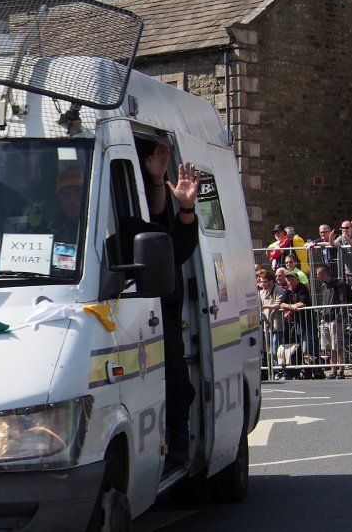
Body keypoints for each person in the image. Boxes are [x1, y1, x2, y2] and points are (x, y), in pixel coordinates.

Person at [123, 140, 199, 467]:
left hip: (159, 309)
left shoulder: (139, 221)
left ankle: (177, 439)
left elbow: (166, 232)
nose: (72, 195)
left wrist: (184, 207)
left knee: (173, 371)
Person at [315, 266, 352, 379]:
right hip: (326, 318)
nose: (318, 277)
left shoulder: (338, 284)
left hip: (337, 318)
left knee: (338, 345)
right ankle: (333, 370)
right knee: (330, 347)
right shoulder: (324, 286)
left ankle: (341, 371)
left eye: (319, 275)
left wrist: (342, 315)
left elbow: (342, 299)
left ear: (325, 274)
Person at [279, 272, 318, 378]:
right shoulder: (288, 290)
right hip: (296, 322)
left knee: (307, 347)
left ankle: (311, 371)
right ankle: (297, 372)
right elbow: (281, 304)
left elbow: (303, 303)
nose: (290, 281)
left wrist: (293, 306)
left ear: (297, 279)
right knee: (297, 347)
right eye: (288, 279)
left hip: (307, 322)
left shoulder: (302, 288)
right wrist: (292, 306)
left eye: (292, 279)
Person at [258, 270, 286, 379]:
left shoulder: (279, 290)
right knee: (268, 351)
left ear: (270, 281)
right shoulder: (261, 292)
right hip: (266, 325)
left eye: (264, 281)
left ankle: (281, 371)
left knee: (276, 350)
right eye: (261, 281)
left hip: (277, 324)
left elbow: (278, 305)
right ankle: (273, 372)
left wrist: (264, 307)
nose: (262, 284)